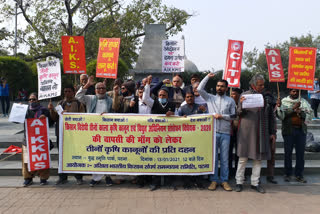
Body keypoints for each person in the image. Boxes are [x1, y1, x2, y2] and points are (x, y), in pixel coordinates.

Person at [235, 74, 276, 194]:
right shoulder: (244, 95)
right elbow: (238, 113)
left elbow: (271, 116)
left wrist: (272, 132)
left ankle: (255, 183)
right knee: (243, 158)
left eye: (263, 84)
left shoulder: (267, 97)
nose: (262, 87)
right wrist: (241, 104)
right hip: (246, 133)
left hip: (262, 132)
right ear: (253, 85)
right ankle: (239, 182)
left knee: (258, 159)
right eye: (260, 85)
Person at [75, 76, 117, 187]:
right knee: (95, 154)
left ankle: (108, 177)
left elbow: (116, 110)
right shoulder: (90, 98)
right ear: (95, 90)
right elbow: (78, 96)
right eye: (99, 88)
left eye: (103, 88)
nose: (101, 90)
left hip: (107, 132)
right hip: (93, 132)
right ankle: (96, 178)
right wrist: (87, 85)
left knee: (107, 154)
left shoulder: (110, 100)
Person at [198, 73, 236, 192]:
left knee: (224, 158)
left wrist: (222, 116)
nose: (220, 88)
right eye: (218, 86)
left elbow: (234, 116)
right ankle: (214, 180)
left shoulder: (230, 101)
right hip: (212, 132)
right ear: (216, 87)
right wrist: (207, 77)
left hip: (225, 133)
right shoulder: (210, 98)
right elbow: (199, 89)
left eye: (222, 86)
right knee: (213, 158)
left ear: (226, 88)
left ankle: (224, 180)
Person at [48, 85, 86, 185]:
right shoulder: (60, 103)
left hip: (75, 134)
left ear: (73, 92)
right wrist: (51, 110)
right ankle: (62, 177)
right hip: (61, 134)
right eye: (65, 91)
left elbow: (83, 117)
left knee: (76, 155)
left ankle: (78, 177)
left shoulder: (79, 103)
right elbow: (54, 118)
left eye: (69, 91)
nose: (67, 93)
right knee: (61, 155)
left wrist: (69, 115)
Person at [142, 82, 176, 191]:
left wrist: (173, 115)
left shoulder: (172, 105)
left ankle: (169, 181)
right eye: (160, 95)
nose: (162, 97)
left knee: (168, 159)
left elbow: (179, 118)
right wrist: (147, 85)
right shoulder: (154, 103)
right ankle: (155, 182)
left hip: (168, 136)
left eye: (164, 95)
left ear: (168, 96)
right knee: (156, 159)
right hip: (155, 136)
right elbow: (145, 97)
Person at [276, 89, 313, 183]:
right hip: (289, 131)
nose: (295, 93)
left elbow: (309, 114)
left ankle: (299, 175)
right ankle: (287, 174)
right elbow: (281, 116)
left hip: (301, 131)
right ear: (289, 92)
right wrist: (292, 108)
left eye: (297, 91)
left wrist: (301, 112)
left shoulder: (303, 102)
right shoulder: (284, 102)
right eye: (293, 91)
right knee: (288, 154)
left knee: (300, 154)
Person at [22, 93, 53, 187]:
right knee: (27, 161)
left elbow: (51, 123)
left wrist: (46, 117)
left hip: (41, 139)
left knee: (42, 158)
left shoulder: (44, 110)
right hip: (28, 139)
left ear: (38, 100)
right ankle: (28, 178)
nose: (32, 101)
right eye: (30, 99)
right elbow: (16, 120)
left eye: (34, 99)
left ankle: (43, 178)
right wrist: (18, 110)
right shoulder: (25, 110)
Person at [178, 91, 207, 189]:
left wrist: (204, 111)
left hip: (198, 138)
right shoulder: (181, 109)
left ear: (194, 98)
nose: (189, 98)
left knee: (197, 159)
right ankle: (186, 181)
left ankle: (198, 181)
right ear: (185, 99)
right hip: (186, 138)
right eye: (187, 97)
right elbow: (176, 122)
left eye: (191, 96)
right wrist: (182, 119)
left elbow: (208, 117)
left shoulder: (200, 107)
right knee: (186, 160)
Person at [228, 88, 242, 178]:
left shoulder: (242, 105)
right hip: (229, 131)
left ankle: (238, 172)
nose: (232, 96)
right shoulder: (228, 104)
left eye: (234, 94)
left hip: (240, 132)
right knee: (228, 153)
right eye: (231, 94)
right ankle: (229, 172)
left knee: (239, 153)